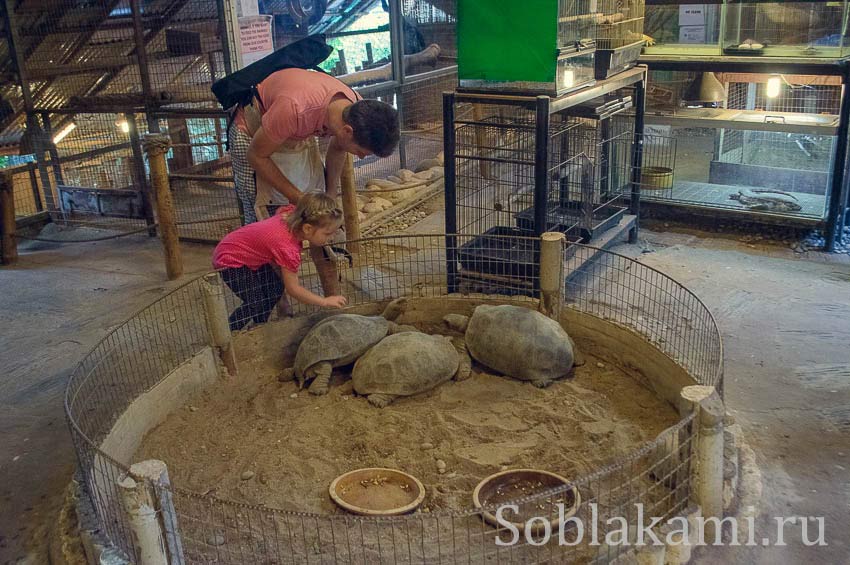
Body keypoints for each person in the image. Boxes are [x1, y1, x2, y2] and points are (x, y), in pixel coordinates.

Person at [228, 66, 399, 296]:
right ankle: (278, 303)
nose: (359, 157)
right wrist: (299, 199)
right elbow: (256, 155)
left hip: (297, 134)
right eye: (361, 152)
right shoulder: (295, 108)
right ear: (348, 131)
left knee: (321, 218)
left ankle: (333, 295)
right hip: (252, 133)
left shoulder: (354, 106)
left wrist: (329, 193)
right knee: (267, 218)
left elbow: (339, 147)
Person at [213, 192, 348, 331]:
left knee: (275, 289)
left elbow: (284, 211)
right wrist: (324, 302)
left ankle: (260, 326)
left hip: (247, 254)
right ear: (307, 228)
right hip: (229, 258)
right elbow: (293, 289)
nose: (331, 238)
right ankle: (228, 333)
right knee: (254, 302)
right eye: (327, 234)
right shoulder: (287, 247)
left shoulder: (291, 216)